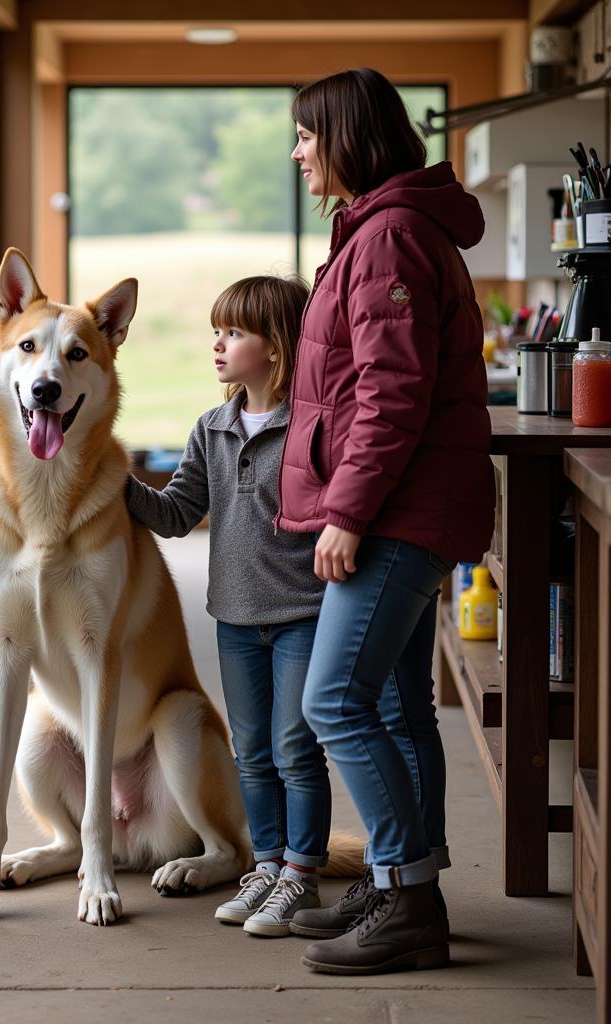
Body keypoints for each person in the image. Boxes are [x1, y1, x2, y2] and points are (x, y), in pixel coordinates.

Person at [279, 68, 495, 974]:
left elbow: (390, 394)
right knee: (402, 707)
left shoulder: (392, 237)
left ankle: (407, 898)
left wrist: (348, 514)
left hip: (397, 509)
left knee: (332, 699)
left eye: (305, 134)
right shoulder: (382, 228)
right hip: (409, 502)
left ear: (347, 137)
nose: (297, 152)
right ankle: (396, 879)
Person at [125, 275, 335, 937]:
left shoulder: (314, 427)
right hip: (236, 618)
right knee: (251, 752)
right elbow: (175, 514)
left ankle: (301, 878)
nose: (217, 343)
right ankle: (266, 868)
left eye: (234, 332)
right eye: (217, 330)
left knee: (295, 749)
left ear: (274, 347)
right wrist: (114, 477)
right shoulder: (210, 429)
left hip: (303, 611)